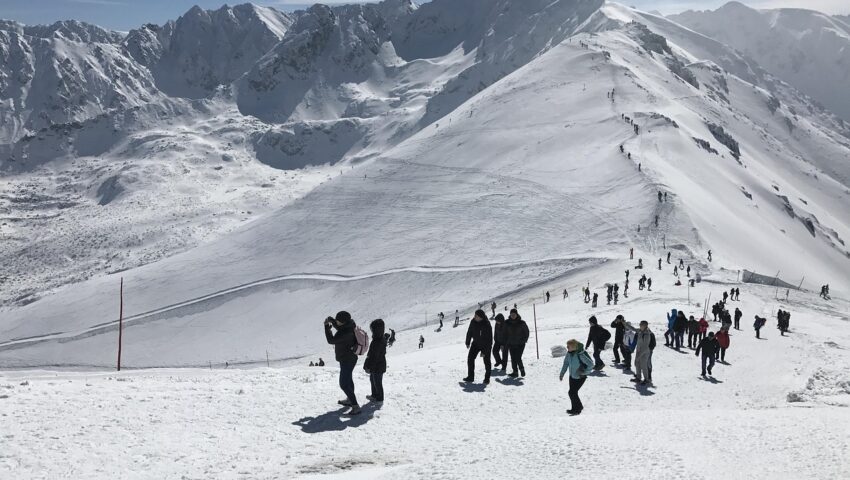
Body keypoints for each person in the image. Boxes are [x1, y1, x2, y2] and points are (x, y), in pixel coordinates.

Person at [324, 311, 361, 415]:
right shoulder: (349, 325)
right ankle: (350, 400)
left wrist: (327, 327)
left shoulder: (345, 333)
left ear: (343, 321)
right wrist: (332, 320)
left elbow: (331, 340)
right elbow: (340, 327)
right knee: (348, 380)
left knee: (344, 384)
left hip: (347, 360)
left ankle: (355, 406)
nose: (336, 322)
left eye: (338, 320)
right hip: (348, 358)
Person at [559, 339, 595, 415]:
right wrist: (562, 373)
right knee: (572, 392)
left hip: (580, 377)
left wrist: (584, 373)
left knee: (572, 392)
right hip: (572, 376)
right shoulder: (569, 353)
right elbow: (566, 363)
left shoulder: (581, 354)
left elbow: (591, 365)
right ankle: (575, 408)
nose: (567, 347)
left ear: (573, 346)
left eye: (568, 346)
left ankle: (577, 409)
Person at [464, 310, 493, 384]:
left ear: (481, 317)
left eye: (476, 316)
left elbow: (489, 340)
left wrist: (484, 351)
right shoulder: (473, 321)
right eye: (475, 315)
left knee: (486, 361)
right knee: (470, 358)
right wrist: (468, 342)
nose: (474, 317)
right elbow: (470, 331)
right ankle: (470, 377)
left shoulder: (486, 324)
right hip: (476, 343)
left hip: (485, 345)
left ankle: (487, 378)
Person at [364, 319, 387, 403]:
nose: (371, 331)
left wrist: (369, 367)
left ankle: (379, 398)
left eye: (372, 329)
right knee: (373, 380)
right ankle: (374, 395)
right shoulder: (379, 338)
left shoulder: (378, 341)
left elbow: (374, 357)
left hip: (378, 366)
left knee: (377, 382)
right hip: (378, 365)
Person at [504, 309, 530, 378]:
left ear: (517, 314)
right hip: (511, 344)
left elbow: (526, 332)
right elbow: (504, 332)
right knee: (513, 358)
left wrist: (524, 340)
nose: (512, 316)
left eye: (514, 314)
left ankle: (522, 369)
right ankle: (515, 372)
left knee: (518, 357)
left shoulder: (522, 323)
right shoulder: (507, 323)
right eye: (511, 314)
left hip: (520, 344)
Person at [628, 321, 655, 385]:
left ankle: (646, 379)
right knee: (637, 364)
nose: (640, 325)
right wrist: (626, 324)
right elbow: (633, 329)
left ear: (645, 325)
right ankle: (638, 377)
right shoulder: (640, 331)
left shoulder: (647, 334)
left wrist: (639, 356)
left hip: (645, 352)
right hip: (639, 351)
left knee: (644, 366)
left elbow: (645, 347)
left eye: (641, 325)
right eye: (639, 324)